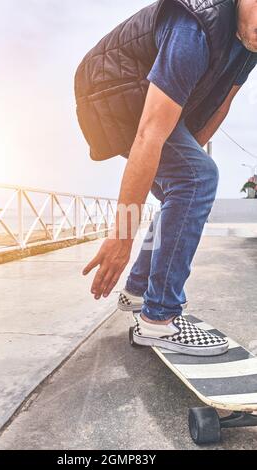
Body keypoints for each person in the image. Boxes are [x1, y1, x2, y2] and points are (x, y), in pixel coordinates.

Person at [76, 0, 257, 356]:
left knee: (192, 180)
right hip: (110, 88)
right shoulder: (195, 24)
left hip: (137, 92)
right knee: (198, 177)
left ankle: (139, 290)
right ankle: (158, 321)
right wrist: (122, 237)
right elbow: (149, 135)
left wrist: (185, 182)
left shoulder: (249, 44)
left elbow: (222, 104)